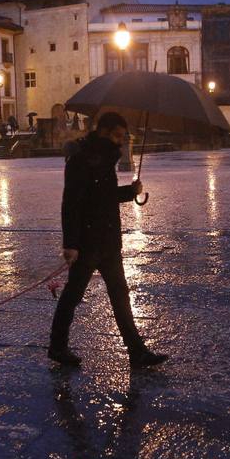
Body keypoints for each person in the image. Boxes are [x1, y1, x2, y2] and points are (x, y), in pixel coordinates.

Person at [49, 112, 167, 369]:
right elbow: (71, 202)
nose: (120, 142)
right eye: (117, 136)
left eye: (123, 137)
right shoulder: (81, 158)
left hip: (109, 241)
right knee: (73, 295)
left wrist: (129, 192)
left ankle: (136, 351)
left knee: (120, 294)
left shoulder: (105, 158)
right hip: (88, 242)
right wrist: (70, 244)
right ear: (102, 131)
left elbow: (104, 196)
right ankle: (57, 346)